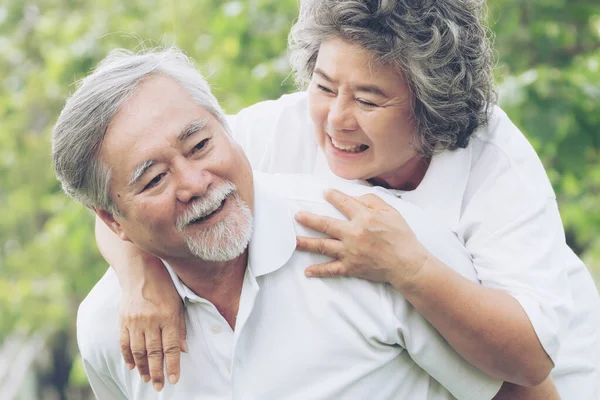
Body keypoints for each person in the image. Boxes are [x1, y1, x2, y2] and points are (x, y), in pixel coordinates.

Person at [98, 0, 600, 398]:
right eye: (324, 86)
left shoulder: (495, 164)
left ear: (433, 105)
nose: (337, 119)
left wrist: (410, 268)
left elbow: (530, 363)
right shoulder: (277, 129)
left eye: (368, 99)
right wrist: (142, 275)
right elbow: (118, 198)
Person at [51, 47, 522, 399]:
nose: (194, 182)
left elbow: (519, 388)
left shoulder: (380, 242)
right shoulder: (107, 331)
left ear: (228, 129)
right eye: (154, 179)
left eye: (199, 146)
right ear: (113, 222)